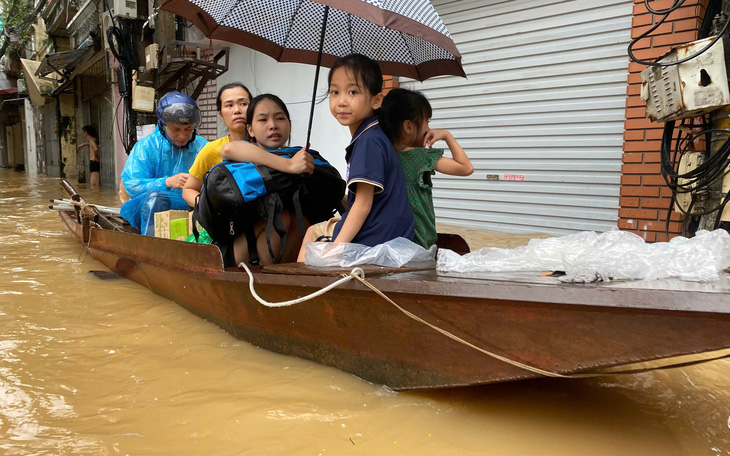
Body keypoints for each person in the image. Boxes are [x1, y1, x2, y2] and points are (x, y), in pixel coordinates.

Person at [297, 53, 414, 262]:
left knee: (312, 236)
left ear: (377, 100)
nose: (341, 101)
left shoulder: (368, 142)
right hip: (389, 234)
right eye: (335, 92)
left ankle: (304, 291)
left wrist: (337, 248)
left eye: (352, 91)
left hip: (376, 240)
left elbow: (363, 204)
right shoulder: (373, 134)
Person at [217, 93, 315, 265]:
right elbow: (228, 149)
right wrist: (289, 166)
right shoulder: (246, 153)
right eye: (263, 120)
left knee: (303, 219)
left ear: (290, 126)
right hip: (233, 255)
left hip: (282, 259)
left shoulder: (298, 155)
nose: (273, 126)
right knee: (281, 217)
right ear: (250, 130)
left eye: (279, 118)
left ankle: (283, 278)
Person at [379, 88, 474, 248]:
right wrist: (446, 135)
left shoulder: (381, 156)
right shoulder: (420, 157)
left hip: (389, 240)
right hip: (420, 240)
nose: (429, 129)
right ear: (408, 127)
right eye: (427, 122)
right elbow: (466, 168)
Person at [120, 91, 208, 235]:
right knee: (156, 199)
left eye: (188, 129)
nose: (182, 135)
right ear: (162, 125)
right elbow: (132, 185)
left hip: (192, 204)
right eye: (175, 129)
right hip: (152, 207)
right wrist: (166, 182)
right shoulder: (146, 146)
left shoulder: (202, 146)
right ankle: (153, 246)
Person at [182, 82, 253, 207]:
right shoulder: (212, 150)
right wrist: (209, 208)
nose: (237, 110)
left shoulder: (268, 146)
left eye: (243, 104)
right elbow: (188, 190)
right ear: (221, 115)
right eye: (229, 105)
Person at [78, 125, 100, 189]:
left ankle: (95, 194)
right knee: (93, 181)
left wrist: (95, 157)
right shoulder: (92, 140)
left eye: (83, 132)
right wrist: (84, 144)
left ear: (86, 133)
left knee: (94, 182)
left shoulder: (91, 140)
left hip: (94, 161)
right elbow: (92, 145)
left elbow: (95, 148)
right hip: (94, 161)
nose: (83, 134)